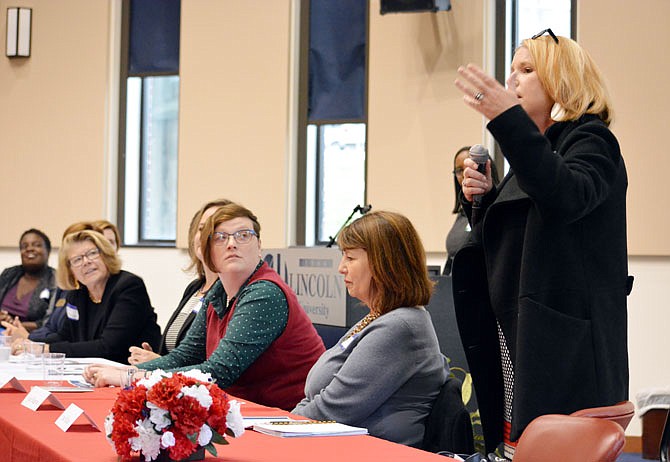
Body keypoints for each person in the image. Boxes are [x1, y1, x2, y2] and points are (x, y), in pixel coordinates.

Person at [452, 29, 631, 458]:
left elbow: (566, 197)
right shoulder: (538, 151)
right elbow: (525, 240)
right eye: (511, 69)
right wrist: (486, 203)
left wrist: (507, 121)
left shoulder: (591, 140)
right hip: (523, 335)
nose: (512, 79)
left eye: (527, 70)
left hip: (564, 347)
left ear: (562, 81)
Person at [84, 203, 325, 411]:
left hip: (288, 419)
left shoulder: (264, 293)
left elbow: (219, 371)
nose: (232, 244)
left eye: (243, 235)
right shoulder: (218, 290)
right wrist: (125, 371)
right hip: (248, 413)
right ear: (208, 252)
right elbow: (185, 355)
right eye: (221, 237)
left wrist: (129, 376)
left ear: (259, 245)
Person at [292, 210, 448, 447]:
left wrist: (284, 423)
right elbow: (318, 400)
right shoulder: (381, 316)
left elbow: (331, 409)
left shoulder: (399, 326)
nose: (341, 268)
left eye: (350, 258)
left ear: (382, 263)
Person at [13, 229, 161, 363]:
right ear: (70, 270)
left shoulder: (128, 287)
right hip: (94, 372)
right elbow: (65, 335)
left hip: (130, 372)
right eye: (77, 260)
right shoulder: (77, 295)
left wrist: (47, 350)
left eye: (92, 253)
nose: (86, 262)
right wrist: (32, 345)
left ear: (106, 255)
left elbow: (108, 347)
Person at [128, 199, 232, 364]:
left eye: (216, 229)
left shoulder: (229, 292)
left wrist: (160, 362)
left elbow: (217, 362)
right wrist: (155, 358)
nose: (206, 235)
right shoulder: (195, 287)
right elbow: (179, 349)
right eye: (202, 228)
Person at [3, 221, 120, 342]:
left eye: (90, 252)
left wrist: (29, 338)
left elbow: (97, 343)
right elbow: (55, 329)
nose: (85, 260)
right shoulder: (70, 290)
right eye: (76, 257)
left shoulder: (121, 286)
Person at [444, 146, 499, 276]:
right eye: (459, 170)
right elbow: (451, 259)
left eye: (469, 168)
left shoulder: (496, 208)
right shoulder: (462, 214)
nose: (464, 174)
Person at [0, 229, 56, 332]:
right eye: (24, 246)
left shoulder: (55, 280)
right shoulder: (9, 274)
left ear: (48, 251)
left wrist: (15, 324)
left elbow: (51, 322)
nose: (29, 249)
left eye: (37, 245)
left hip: (34, 338)